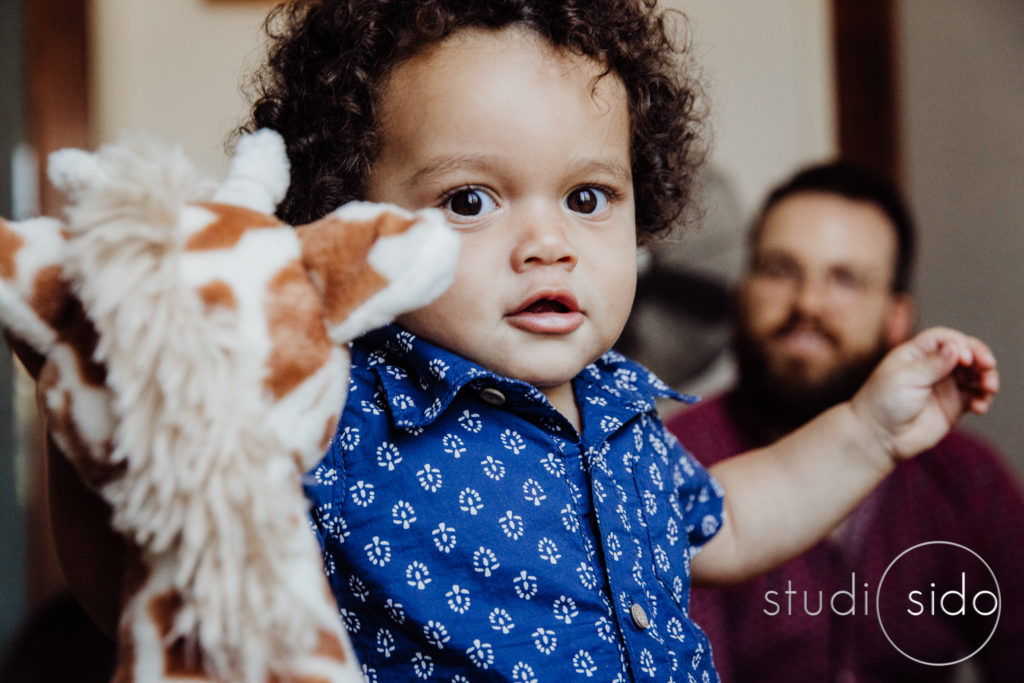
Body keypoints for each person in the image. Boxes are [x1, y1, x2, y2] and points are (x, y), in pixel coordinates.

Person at [45, 2, 997, 682]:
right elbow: (145, 583)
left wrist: (869, 432)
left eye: (587, 198)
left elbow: (735, 521)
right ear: (357, 223)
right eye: (470, 200)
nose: (547, 242)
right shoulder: (341, 401)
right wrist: (82, 401)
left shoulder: (624, 410)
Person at [668, 162, 1024, 682]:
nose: (808, 303)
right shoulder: (672, 464)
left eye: (846, 279)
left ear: (896, 318)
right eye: (780, 270)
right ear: (741, 296)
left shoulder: (967, 480)